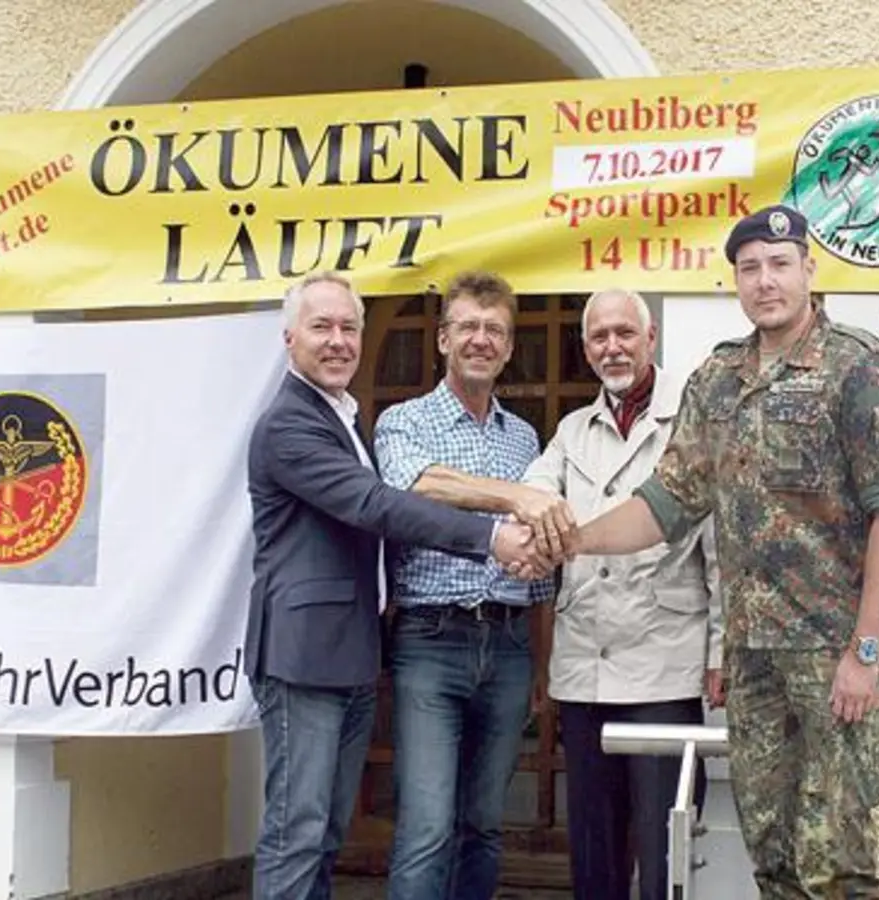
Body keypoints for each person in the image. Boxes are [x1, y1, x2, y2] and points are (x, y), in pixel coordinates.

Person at [568, 205, 879, 898]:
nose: (766, 281)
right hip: (753, 663)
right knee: (773, 857)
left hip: (831, 660)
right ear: (736, 280)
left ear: (809, 272)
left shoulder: (859, 368)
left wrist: (866, 653)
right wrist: (573, 541)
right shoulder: (717, 381)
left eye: (780, 265)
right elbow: (665, 506)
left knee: (836, 866)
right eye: (750, 268)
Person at [243, 270, 540, 900]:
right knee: (299, 831)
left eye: (350, 327)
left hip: (350, 654)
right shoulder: (290, 426)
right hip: (306, 655)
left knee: (324, 831)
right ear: (289, 335)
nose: (339, 341)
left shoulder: (341, 416)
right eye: (322, 327)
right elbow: (377, 504)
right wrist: (490, 534)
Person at [518, 287, 723, 900]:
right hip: (585, 665)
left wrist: (721, 651)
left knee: (666, 849)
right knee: (594, 851)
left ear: (650, 338)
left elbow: (721, 549)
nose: (613, 347)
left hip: (664, 663)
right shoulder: (570, 430)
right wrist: (530, 522)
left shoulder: (692, 422)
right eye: (600, 337)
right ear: (586, 349)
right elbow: (534, 495)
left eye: (625, 334)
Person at [370, 271, 561, 900]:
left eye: (495, 331)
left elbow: (537, 574)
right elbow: (417, 486)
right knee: (426, 825)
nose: (481, 340)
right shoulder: (406, 421)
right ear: (444, 340)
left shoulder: (525, 438)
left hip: (507, 648)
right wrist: (518, 497)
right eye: (469, 327)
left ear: (508, 348)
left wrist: (540, 664)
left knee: (483, 825)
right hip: (431, 641)